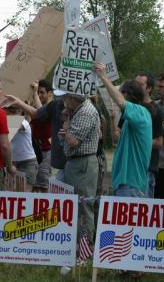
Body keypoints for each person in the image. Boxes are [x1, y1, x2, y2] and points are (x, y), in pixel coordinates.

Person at [94, 62, 152, 197]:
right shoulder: (131, 119)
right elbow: (119, 140)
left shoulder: (141, 113)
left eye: (120, 93)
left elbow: (120, 102)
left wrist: (103, 77)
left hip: (131, 185)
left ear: (126, 95)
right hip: (125, 183)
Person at [58, 93, 100, 247]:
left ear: (72, 99)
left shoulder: (85, 112)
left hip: (82, 164)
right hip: (77, 163)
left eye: (65, 98)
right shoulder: (79, 110)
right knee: (77, 204)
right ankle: (78, 243)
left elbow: (73, 141)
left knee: (83, 205)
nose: (63, 101)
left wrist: (67, 127)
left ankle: (85, 245)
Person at [134, 72, 164, 198]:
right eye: (134, 84)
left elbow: (159, 142)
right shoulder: (131, 107)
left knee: (142, 211)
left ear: (149, 88)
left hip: (146, 169)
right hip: (129, 168)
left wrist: (135, 142)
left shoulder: (157, 110)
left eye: (140, 85)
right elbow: (117, 135)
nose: (135, 87)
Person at [5, 106, 38, 192]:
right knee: (13, 192)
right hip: (13, 162)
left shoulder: (24, 122)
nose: (13, 113)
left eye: (15, 111)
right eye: (10, 111)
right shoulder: (7, 122)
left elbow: (16, 126)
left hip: (28, 162)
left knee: (25, 194)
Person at [30, 79, 53, 192]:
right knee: (32, 184)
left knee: (43, 184)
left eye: (42, 92)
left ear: (49, 94)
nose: (39, 95)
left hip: (46, 151)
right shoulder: (33, 105)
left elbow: (41, 113)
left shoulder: (52, 106)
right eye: (37, 92)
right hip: (34, 151)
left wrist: (34, 94)